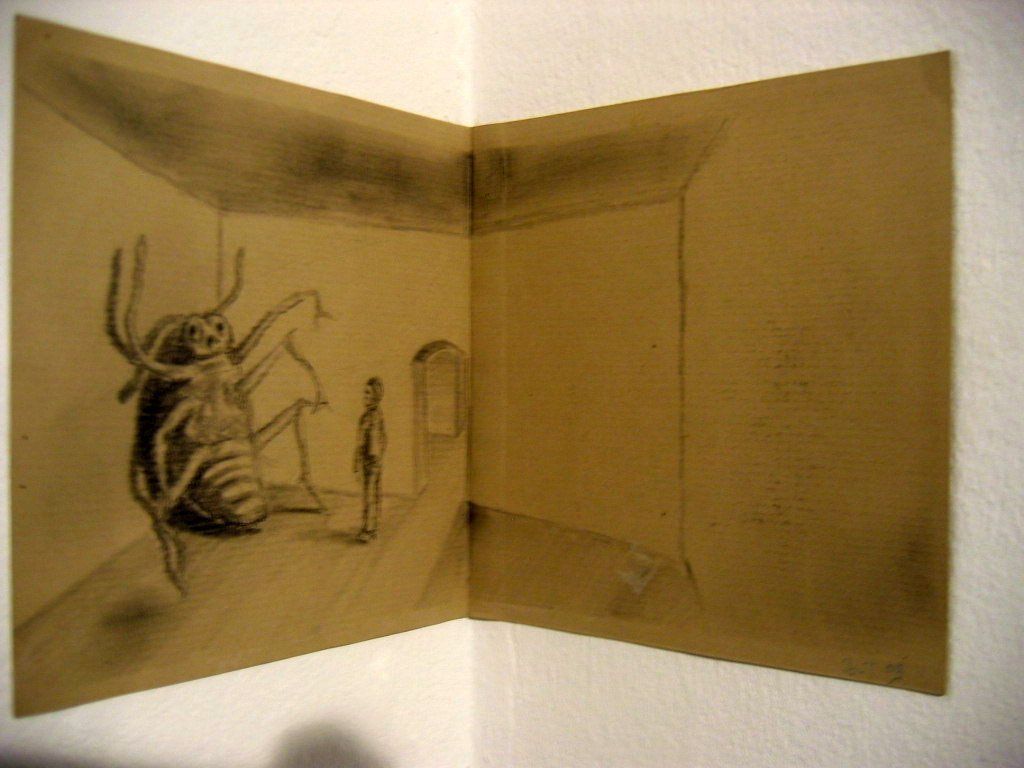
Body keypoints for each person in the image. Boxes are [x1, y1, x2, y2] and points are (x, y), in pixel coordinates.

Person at [353, 377, 386, 542]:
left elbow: (360, 444)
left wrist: (357, 464)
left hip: (370, 461)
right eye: (364, 393)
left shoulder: (368, 417)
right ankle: (372, 527)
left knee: (369, 495)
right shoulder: (377, 414)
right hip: (375, 461)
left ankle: (369, 529)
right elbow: (383, 438)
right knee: (373, 494)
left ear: (375, 396)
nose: (364, 396)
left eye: (368, 393)